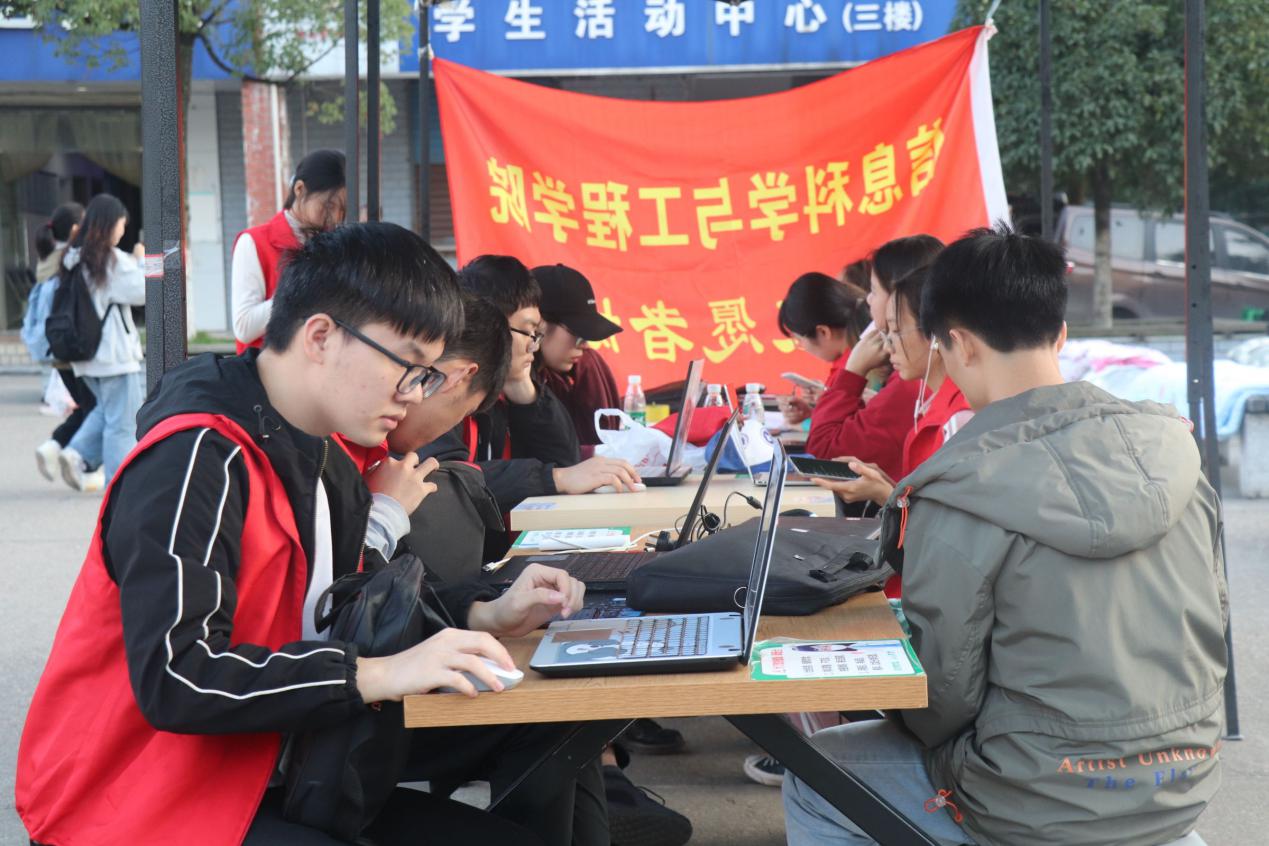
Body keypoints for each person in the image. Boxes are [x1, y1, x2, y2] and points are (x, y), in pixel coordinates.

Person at [16, 222, 608, 846]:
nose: (414, 395)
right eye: (409, 367)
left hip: (282, 764)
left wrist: (484, 610)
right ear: (321, 336)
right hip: (147, 801)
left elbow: (361, 597)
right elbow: (179, 676)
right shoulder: (194, 459)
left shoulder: (325, 455)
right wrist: (373, 674)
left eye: (427, 377)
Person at [783, 224, 1228, 846]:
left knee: (813, 776)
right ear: (1060, 334)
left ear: (959, 344)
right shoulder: (1175, 455)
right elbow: (1212, 626)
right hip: (1184, 780)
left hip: (1032, 794)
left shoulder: (958, 488)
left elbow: (939, 698)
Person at [419, 255, 640, 515]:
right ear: (490, 323)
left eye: (537, 335)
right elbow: (445, 479)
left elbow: (565, 461)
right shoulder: (440, 387)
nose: (533, 346)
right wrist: (554, 478)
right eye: (528, 331)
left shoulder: (504, 392)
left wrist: (521, 384)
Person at [810, 266, 973, 508]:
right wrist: (887, 484)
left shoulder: (958, 418)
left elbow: (946, 521)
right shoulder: (936, 402)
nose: (888, 347)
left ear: (933, 334)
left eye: (896, 332)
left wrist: (884, 494)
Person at [804, 235, 943, 482]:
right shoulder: (915, 371)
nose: (868, 300)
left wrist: (852, 372)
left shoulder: (913, 380)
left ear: (901, 296)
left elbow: (824, 452)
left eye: (874, 291)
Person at [55, 193, 146, 489]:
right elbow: (142, 291)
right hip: (114, 356)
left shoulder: (75, 257)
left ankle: (76, 452)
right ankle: (117, 488)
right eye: (121, 224)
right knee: (122, 424)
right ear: (110, 223)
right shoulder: (111, 259)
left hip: (87, 356)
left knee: (107, 413)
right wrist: (140, 261)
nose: (122, 230)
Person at [232, 148, 346, 352]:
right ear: (300, 189)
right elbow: (244, 327)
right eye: (329, 205)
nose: (336, 217)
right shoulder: (254, 242)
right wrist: (301, 286)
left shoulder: (338, 245)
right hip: (267, 369)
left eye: (343, 209)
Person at [24, 203, 100, 487]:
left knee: (90, 408)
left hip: (59, 351)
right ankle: (83, 463)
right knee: (101, 410)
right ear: (76, 229)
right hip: (76, 350)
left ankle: (54, 446)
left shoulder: (47, 261)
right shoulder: (69, 261)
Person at [533, 263, 623, 446]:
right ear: (537, 323)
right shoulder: (508, 388)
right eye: (577, 333)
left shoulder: (558, 382)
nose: (585, 345)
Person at [776, 272, 870, 427]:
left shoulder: (854, 370)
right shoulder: (863, 351)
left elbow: (843, 435)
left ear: (823, 332)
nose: (803, 347)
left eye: (799, 341)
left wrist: (830, 401)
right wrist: (814, 412)